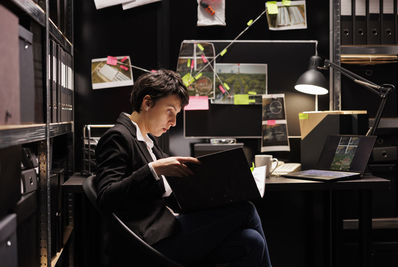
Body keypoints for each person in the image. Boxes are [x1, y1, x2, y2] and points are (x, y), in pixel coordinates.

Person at [94, 69, 272, 267]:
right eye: (170, 112)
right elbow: (106, 198)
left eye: (177, 115)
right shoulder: (118, 137)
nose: (173, 122)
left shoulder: (148, 141)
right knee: (246, 210)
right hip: (149, 240)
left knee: (251, 241)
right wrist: (154, 169)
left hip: (168, 225)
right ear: (147, 103)